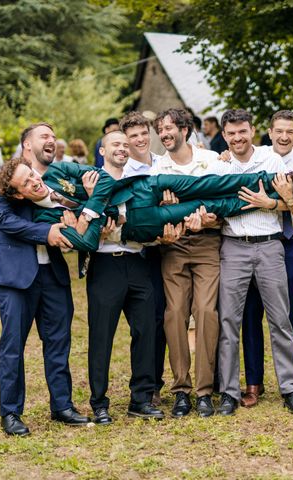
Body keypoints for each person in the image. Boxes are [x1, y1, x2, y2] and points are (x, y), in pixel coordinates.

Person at [0, 134, 293, 251]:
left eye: (31, 175)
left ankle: (290, 178)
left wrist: (86, 215)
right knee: (213, 206)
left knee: (209, 183)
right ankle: (287, 199)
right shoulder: (45, 217)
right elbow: (89, 243)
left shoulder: (56, 171)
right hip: (142, 222)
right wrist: (91, 216)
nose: (35, 182)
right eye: (27, 184)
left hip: (144, 187)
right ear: (20, 194)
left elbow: (104, 182)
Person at [0, 122, 90, 437]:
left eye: (53, 135)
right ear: (27, 145)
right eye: (44, 136)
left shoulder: (59, 177)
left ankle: (62, 405)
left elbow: (79, 208)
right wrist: (46, 233)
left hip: (53, 272)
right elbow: (3, 220)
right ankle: (11, 413)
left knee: (59, 341)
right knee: (13, 345)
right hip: (16, 275)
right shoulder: (4, 177)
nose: (52, 140)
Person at [215, 109, 293, 417]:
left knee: (280, 319)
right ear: (224, 135)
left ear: (253, 131)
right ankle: (228, 392)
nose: (237, 138)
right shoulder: (219, 165)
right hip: (233, 247)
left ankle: (292, 389)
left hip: (269, 246)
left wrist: (271, 202)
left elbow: (289, 204)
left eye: (242, 131)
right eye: (231, 133)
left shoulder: (272, 161)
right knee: (229, 321)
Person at [82, 114, 168, 425]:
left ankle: (141, 399)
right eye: (115, 144)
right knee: (102, 334)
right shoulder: (91, 182)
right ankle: (99, 401)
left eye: (124, 144)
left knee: (146, 331)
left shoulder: (140, 183)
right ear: (102, 151)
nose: (122, 148)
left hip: (138, 261)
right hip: (106, 264)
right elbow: (79, 228)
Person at [241, 110, 293, 408]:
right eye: (279, 131)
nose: (284, 136)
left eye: (290, 132)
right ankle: (253, 383)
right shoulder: (255, 156)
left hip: (286, 245)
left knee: (286, 316)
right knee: (250, 313)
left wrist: (284, 200)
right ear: (269, 132)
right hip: (251, 245)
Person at [152, 108, 227, 418]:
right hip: (175, 246)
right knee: (175, 314)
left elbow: (225, 200)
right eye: (161, 129)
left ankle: (205, 390)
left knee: (207, 313)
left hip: (208, 243)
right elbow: (150, 210)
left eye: (170, 127)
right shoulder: (158, 168)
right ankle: (181, 389)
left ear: (185, 129)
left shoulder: (211, 161)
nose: (165, 134)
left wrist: (212, 218)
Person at [121, 111, 166, 407]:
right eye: (133, 136)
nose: (139, 139)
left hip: (169, 246)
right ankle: (145, 383)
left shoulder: (165, 164)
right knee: (145, 320)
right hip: (141, 251)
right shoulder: (124, 172)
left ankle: (157, 380)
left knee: (163, 317)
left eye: (142, 133)